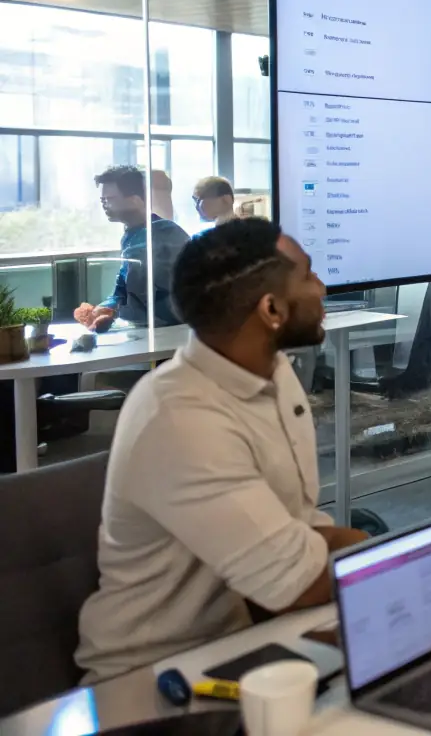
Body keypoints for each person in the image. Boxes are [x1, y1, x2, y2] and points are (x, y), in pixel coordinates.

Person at [76, 219, 369, 682]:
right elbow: (298, 582)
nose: (322, 288)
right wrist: (406, 570)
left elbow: (301, 531)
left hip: (255, 641)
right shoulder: (179, 418)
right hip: (154, 681)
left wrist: (384, 558)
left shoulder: (273, 370)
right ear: (271, 309)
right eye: (309, 276)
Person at [74, 165, 190, 330]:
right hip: (148, 330)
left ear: (135, 200)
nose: (104, 205)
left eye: (110, 199)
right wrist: (105, 309)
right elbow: (122, 289)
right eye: (102, 200)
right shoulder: (131, 236)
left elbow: (155, 296)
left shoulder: (165, 234)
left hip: (172, 331)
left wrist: (116, 310)